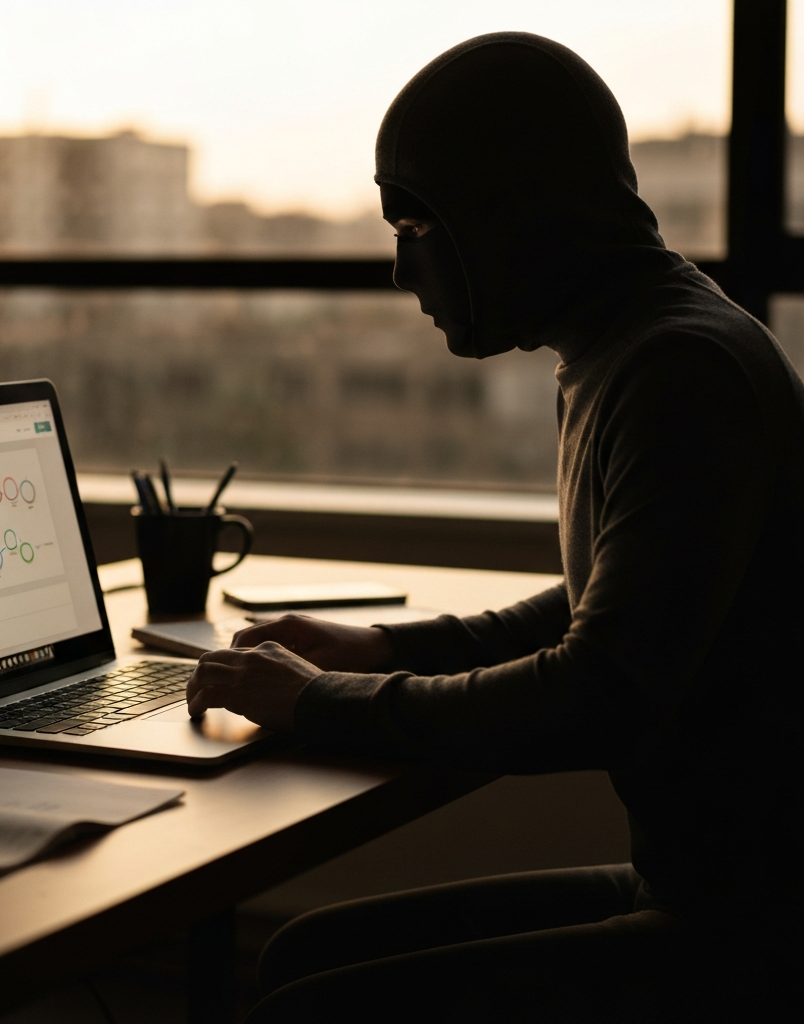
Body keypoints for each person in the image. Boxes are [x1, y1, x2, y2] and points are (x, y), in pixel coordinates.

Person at [187, 32, 803, 1022]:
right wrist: (383, 646)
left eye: (418, 224)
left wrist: (325, 699)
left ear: (511, 210)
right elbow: (605, 602)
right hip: (702, 892)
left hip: (753, 932)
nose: (400, 270)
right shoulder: (628, 345)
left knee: (307, 1000)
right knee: (301, 953)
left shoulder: (681, 372)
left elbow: (601, 689)